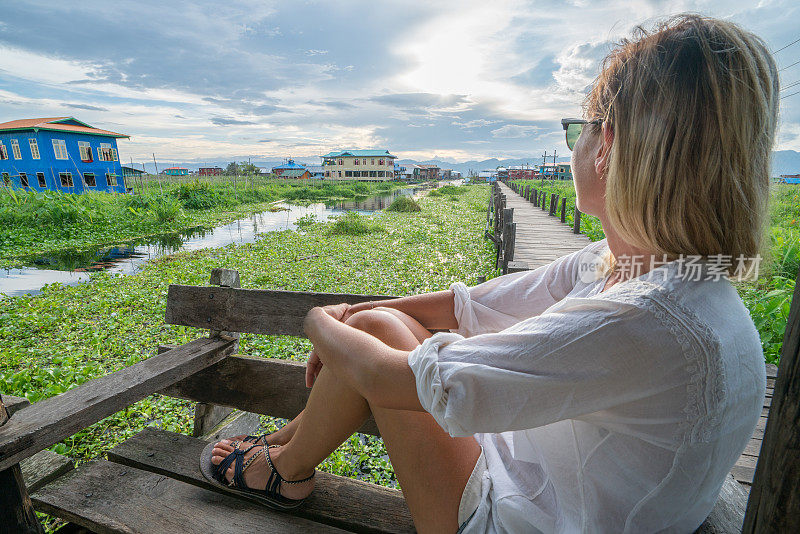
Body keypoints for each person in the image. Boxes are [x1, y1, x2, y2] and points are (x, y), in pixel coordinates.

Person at [203, 14, 778, 533]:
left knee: (380, 335)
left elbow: (388, 380)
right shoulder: (630, 268)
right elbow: (465, 305)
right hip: (541, 481)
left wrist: (321, 321)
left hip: (522, 521)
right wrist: (358, 318)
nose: (574, 143)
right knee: (380, 324)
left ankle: (280, 469)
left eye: (580, 127)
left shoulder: (647, 319)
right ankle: (284, 450)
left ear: (610, 146)